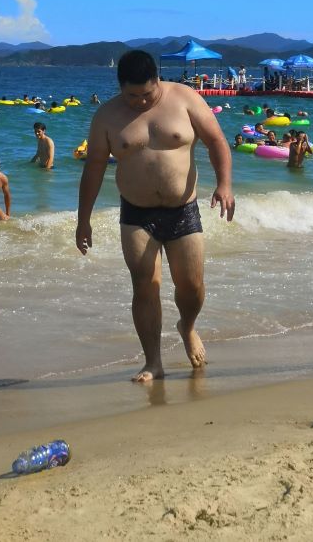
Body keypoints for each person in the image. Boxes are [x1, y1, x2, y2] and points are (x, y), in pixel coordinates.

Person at [75, 49, 235, 383]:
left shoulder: (185, 98)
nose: (140, 102)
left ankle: (187, 326)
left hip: (183, 210)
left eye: (147, 94)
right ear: (120, 87)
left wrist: (224, 185)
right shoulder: (107, 116)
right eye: (131, 96)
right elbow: (94, 168)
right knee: (145, 286)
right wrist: (83, 220)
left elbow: (216, 141)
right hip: (136, 213)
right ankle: (153, 362)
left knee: (191, 287)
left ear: (157, 80)